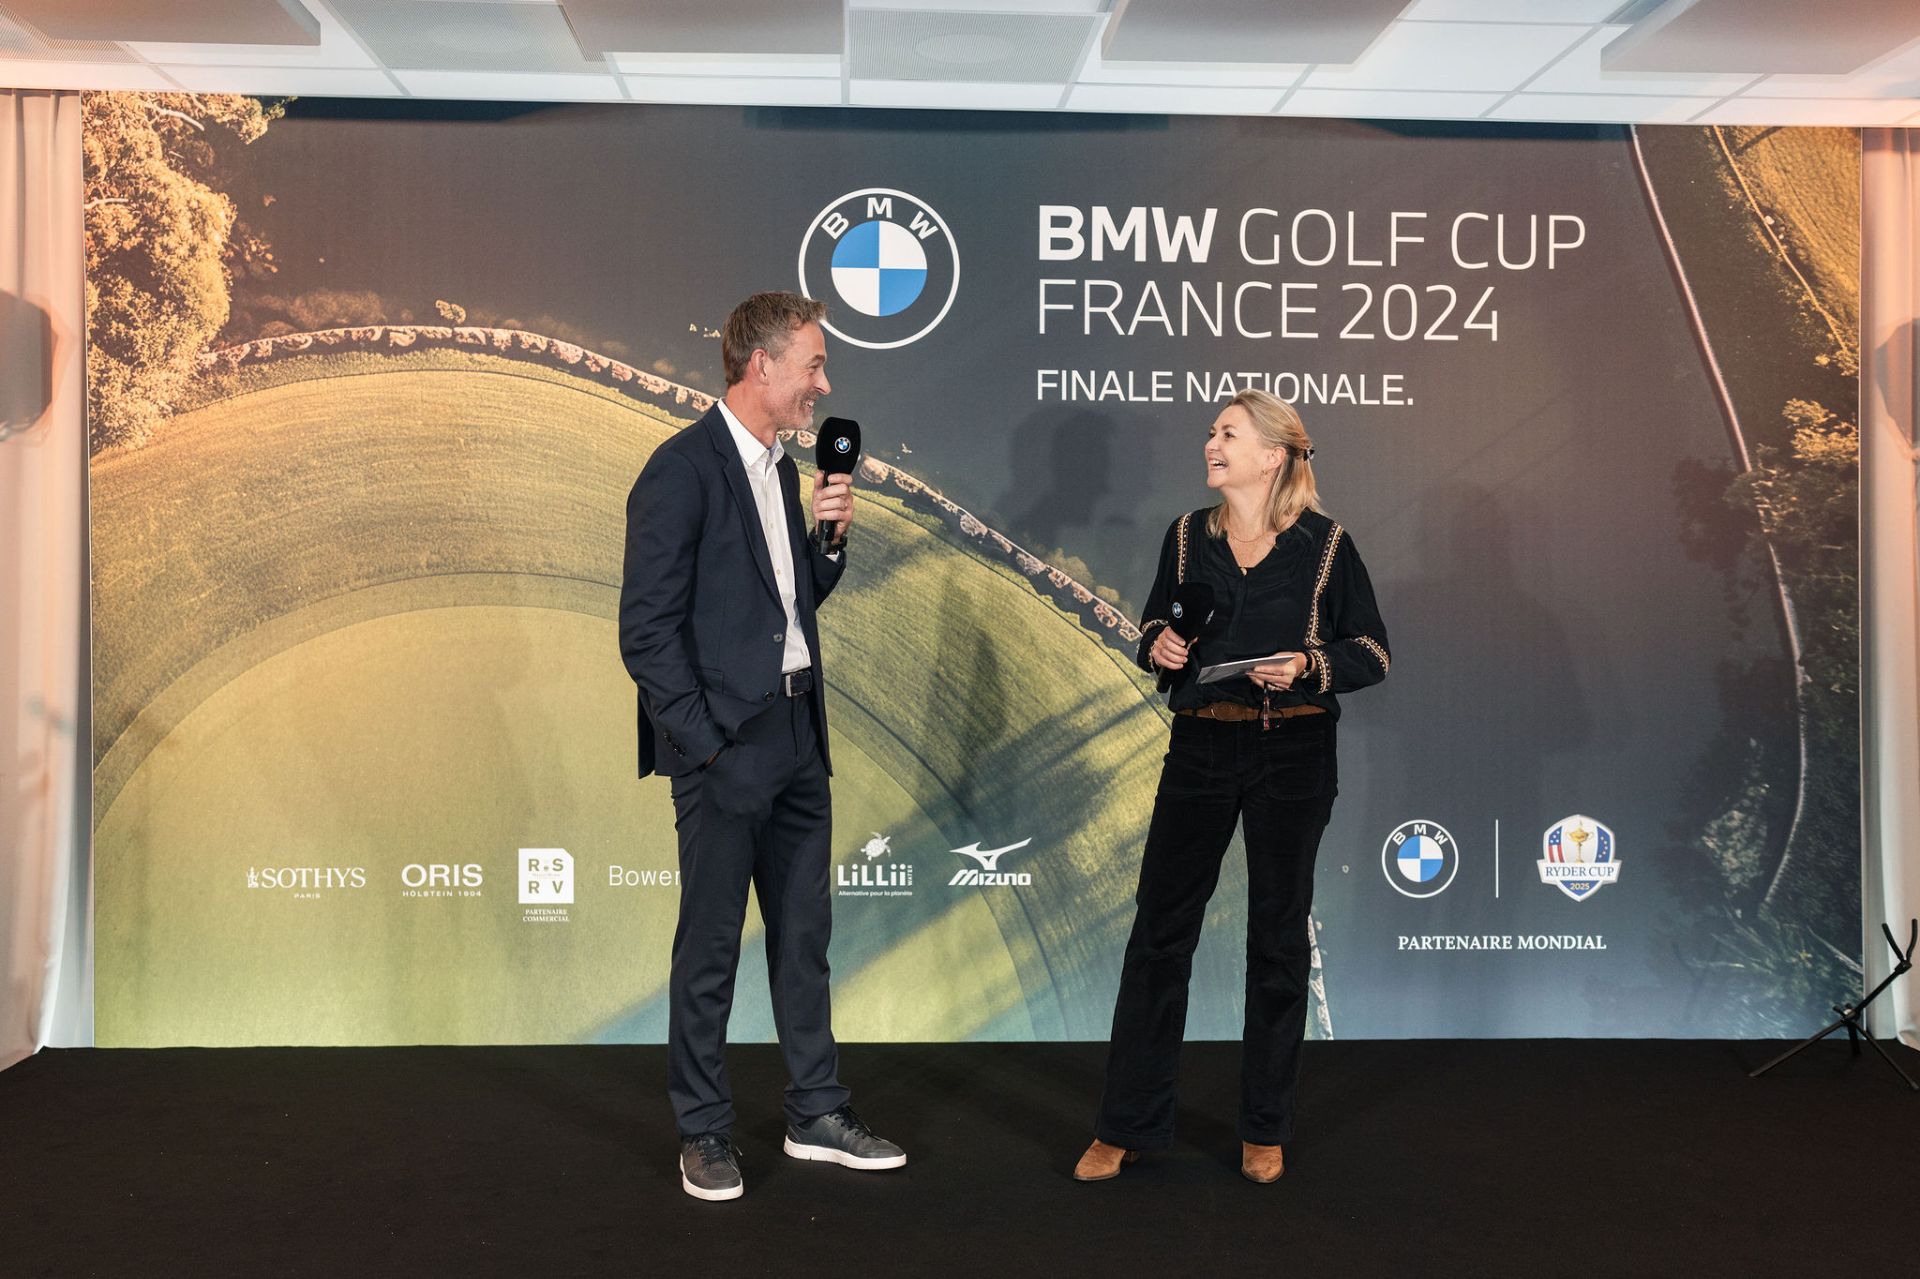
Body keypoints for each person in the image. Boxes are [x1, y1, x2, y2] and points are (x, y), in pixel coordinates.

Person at [619, 291, 905, 1202]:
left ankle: (816, 1111)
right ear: (762, 365)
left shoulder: (783, 470)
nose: (825, 383)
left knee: (804, 939)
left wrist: (829, 542)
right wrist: (707, 747)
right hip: (723, 748)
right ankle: (702, 1129)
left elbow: (783, 607)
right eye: (814, 364)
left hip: (797, 736)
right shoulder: (680, 470)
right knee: (710, 949)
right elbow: (646, 635)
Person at [1074, 388, 1388, 1185]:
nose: (1211, 443)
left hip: (1295, 751)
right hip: (1202, 745)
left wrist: (1308, 664)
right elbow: (1155, 628)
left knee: (1277, 938)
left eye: (1228, 434)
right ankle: (1125, 1124)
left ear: (1273, 455)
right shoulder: (1186, 537)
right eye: (1212, 432)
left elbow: (1372, 652)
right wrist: (1161, 646)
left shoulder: (1327, 545)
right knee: (1159, 934)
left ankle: (1264, 1127)